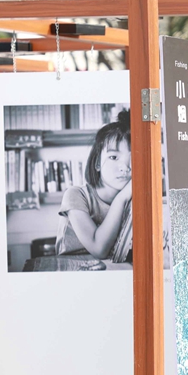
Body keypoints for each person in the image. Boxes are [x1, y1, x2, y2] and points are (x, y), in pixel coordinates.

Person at [55, 109, 133, 263]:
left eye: (134, 158)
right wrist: (121, 199)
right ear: (97, 163)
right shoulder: (76, 195)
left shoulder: (135, 198)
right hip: (73, 269)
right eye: (113, 157)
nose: (125, 167)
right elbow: (99, 249)